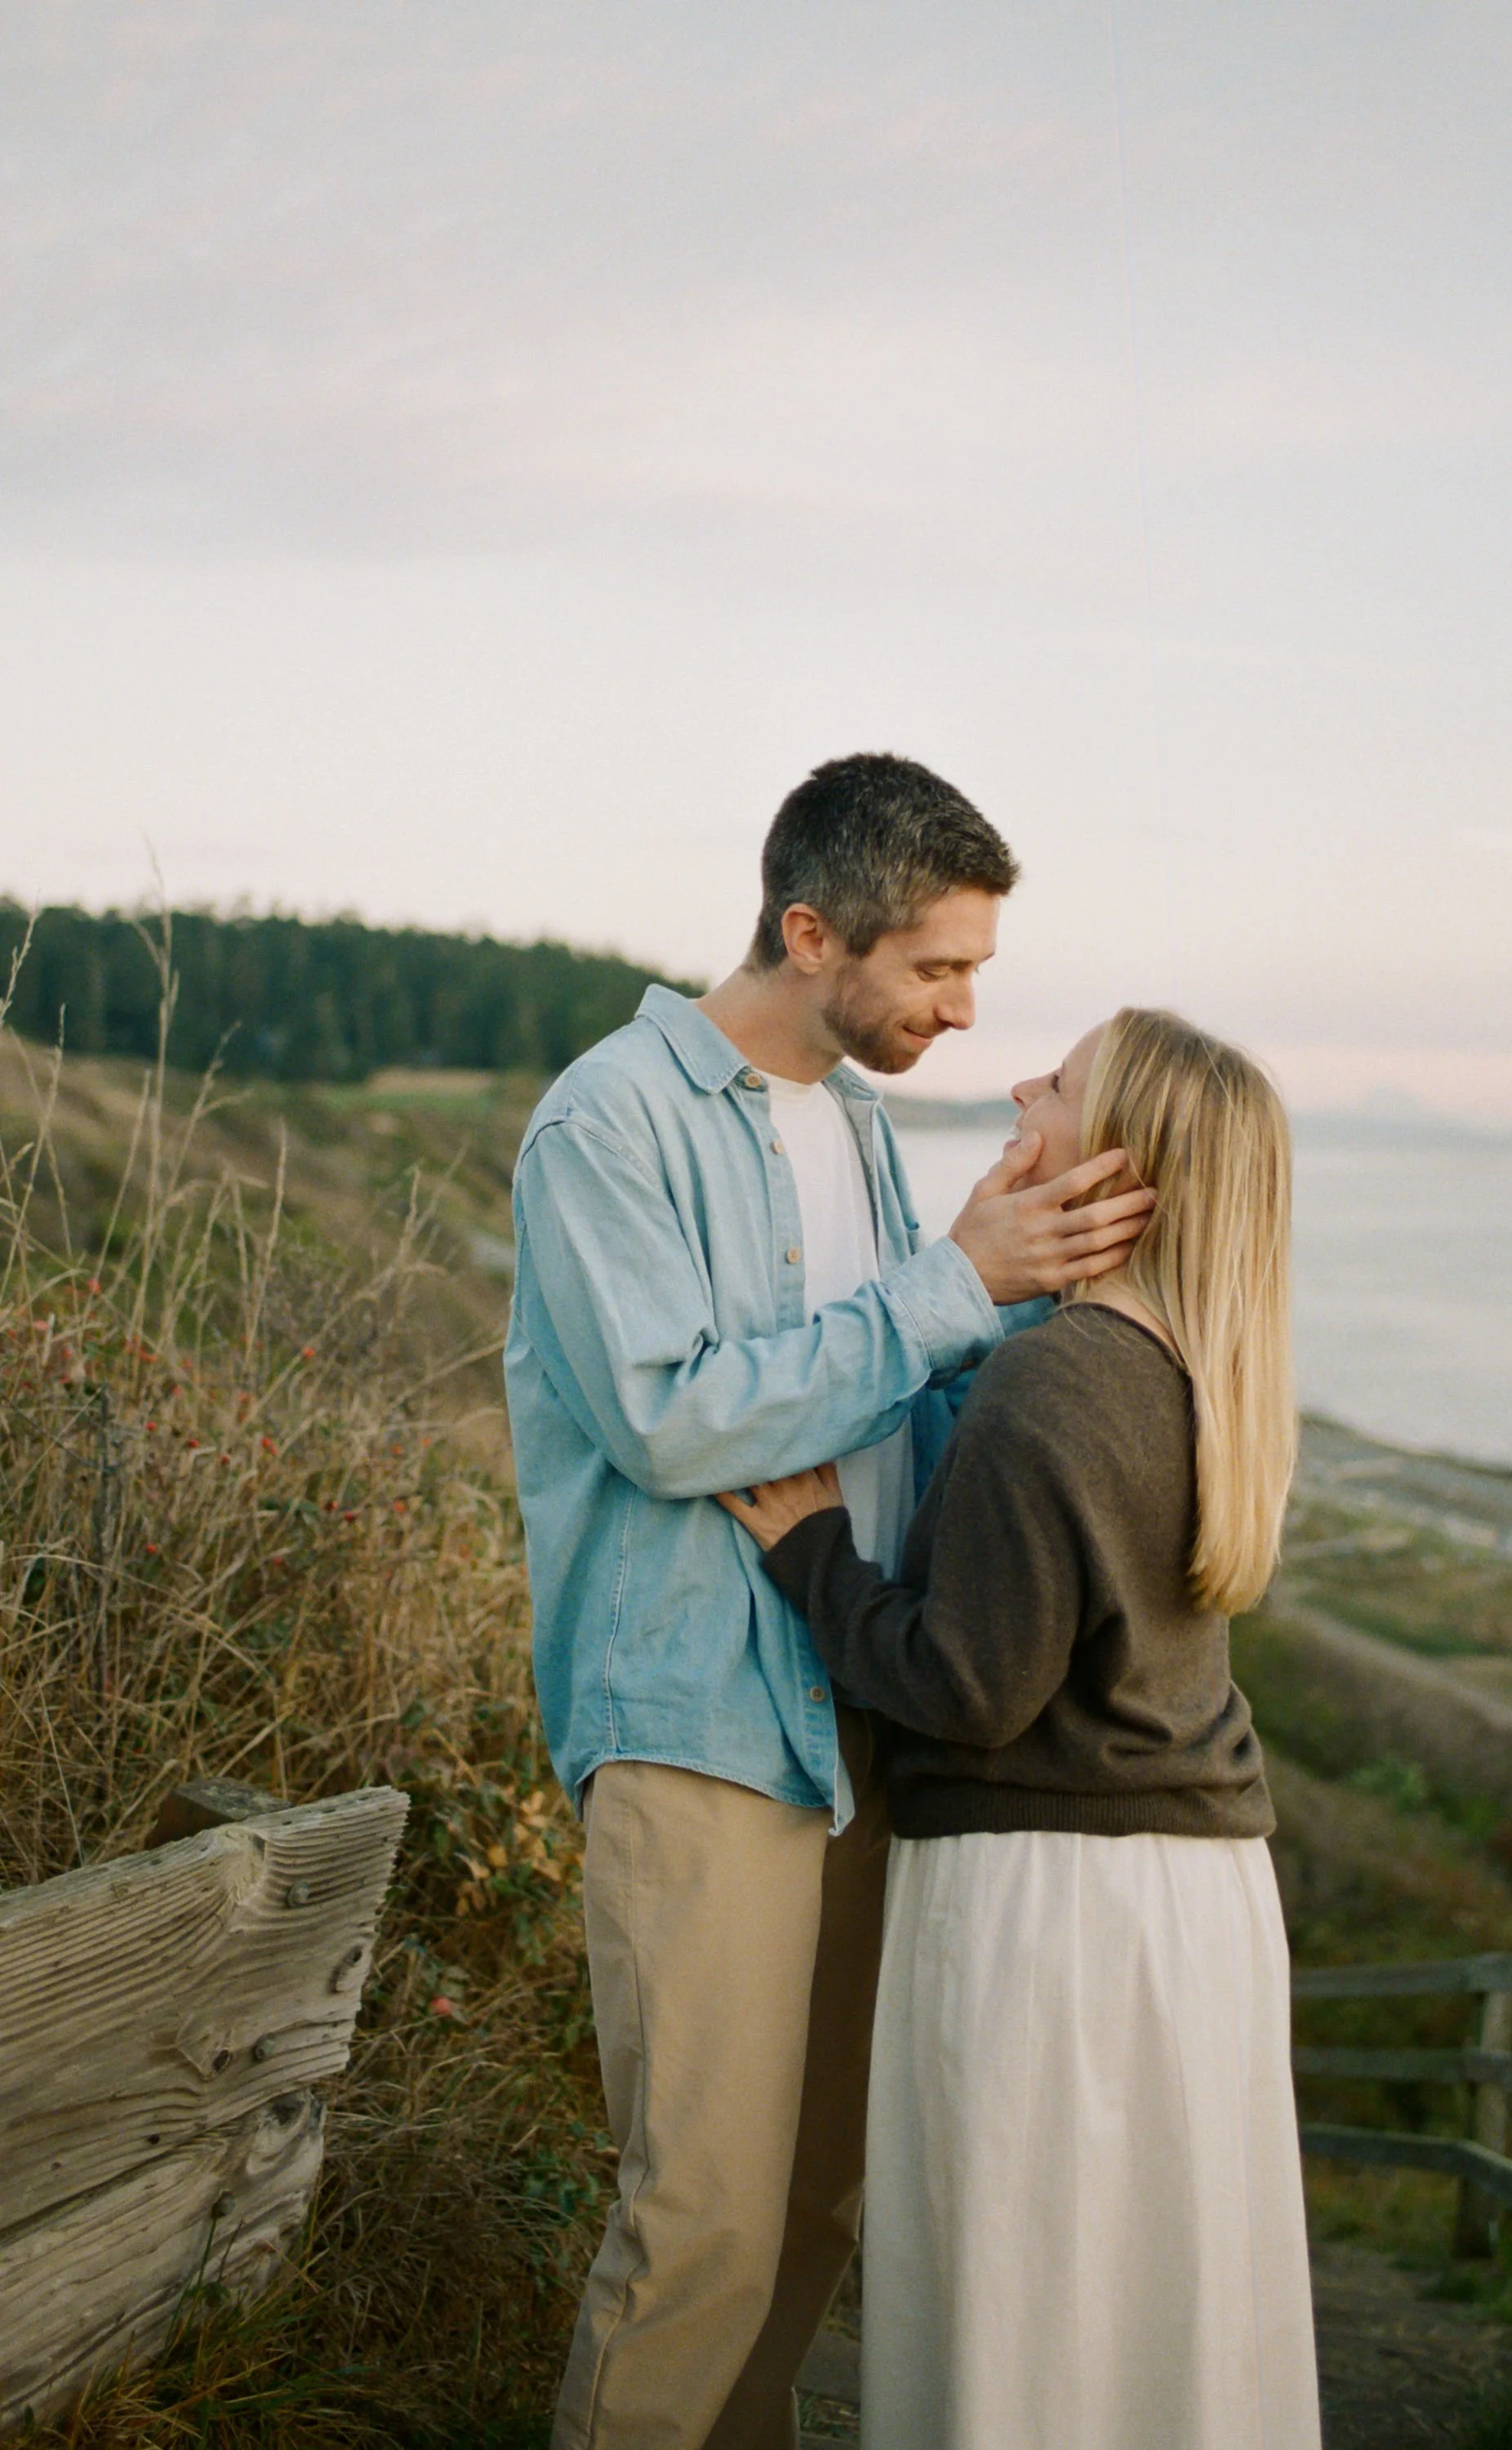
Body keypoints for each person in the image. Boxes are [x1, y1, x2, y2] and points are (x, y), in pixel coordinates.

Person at [504, 754, 1154, 2450]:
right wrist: (957, 1283)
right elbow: (669, 1417)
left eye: (975, 974)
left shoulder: (859, 1130)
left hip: (850, 1715)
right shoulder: (608, 1120)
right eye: (936, 968)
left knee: (812, 2210)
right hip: (700, 1730)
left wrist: (1049, 1325)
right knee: (700, 2222)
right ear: (812, 932)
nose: (959, 1009)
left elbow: (889, 1407)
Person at [721, 1006, 1321, 2450]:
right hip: (1197, 1906)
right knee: (1160, 2323)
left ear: (1121, 1166)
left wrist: (816, 1558)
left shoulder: (1059, 1373)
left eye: (1059, 1081)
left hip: (1048, 1908)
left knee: (1025, 2325)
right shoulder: (1197, 1370)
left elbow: (965, 1682)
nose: (1018, 1080)